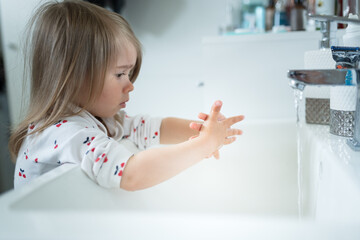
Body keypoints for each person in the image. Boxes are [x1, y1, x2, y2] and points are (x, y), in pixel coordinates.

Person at [9, 0, 244, 191]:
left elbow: (153, 127)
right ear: (73, 78)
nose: (130, 85)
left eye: (129, 74)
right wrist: (203, 146)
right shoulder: (63, 133)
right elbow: (130, 174)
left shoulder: (103, 119)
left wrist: (206, 131)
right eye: (120, 74)